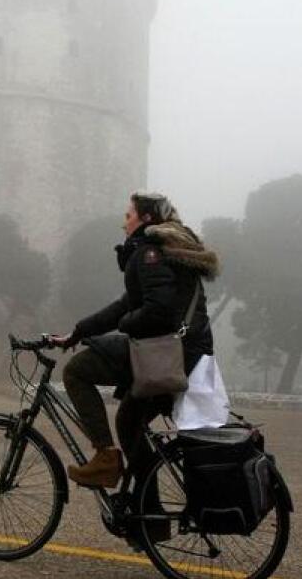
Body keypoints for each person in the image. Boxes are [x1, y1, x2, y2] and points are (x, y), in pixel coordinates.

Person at [51, 192, 219, 492]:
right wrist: (79, 332)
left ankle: (105, 457)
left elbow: (157, 309)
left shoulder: (149, 253)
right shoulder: (169, 250)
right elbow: (125, 305)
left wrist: (126, 327)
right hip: (187, 354)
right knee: (129, 423)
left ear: (146, 220)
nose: (123, 223)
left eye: (128, 216)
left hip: (169, 355)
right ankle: (147, 519)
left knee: (77, 370)